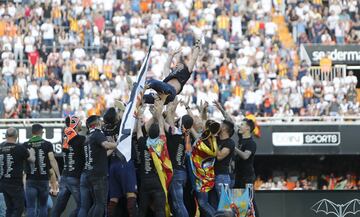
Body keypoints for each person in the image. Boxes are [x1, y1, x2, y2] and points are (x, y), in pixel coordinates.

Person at [136, 97, 172, 217]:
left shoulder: (142, 142)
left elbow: (139, 132)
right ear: (158, 134)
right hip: (158, 180)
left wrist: (138, 118)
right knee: (160, 211)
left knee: (142, 211)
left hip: (144, 181)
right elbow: (162, 127)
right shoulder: (161, 143)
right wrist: (158, 113)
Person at [143, 34, 201, 105]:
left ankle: (141, 86)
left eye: (179, 64)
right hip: (162, 93)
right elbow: (166, 67)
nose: (177, 64)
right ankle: (129, 104)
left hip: (170, 91)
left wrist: (197, 47)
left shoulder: (186, 72)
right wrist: (171, 55)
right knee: (145, 98)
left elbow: (193, 59)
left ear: (183, 66)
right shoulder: (171, 74)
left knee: (153, 82)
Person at [78, 115, 117, 217]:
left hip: (89, 174)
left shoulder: (88, 137)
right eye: (100, 121)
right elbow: (106, 145)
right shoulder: (97, 134)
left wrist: (113, 148)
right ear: (97, 123)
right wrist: (118, 144)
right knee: (100, 204)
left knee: (96, 203)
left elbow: (102, 155)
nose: (102, 123)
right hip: (98, 175)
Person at [102, 107, 138, 217]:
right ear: (116, 117)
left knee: (113, 199)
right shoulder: (122, 126)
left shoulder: (104, 130)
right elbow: (134, 128)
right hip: (125, 162)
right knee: (131, 196)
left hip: (112, 165)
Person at [24, 124, 61, 217]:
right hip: (43, 179)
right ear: (42, 132)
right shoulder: (47, 144)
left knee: (31, 207)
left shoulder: (25, 145)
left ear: (32, 132)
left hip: (30, 180)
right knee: (43, 206)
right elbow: (52, 159)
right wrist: (58, 176)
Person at [52, 116, 85, 217]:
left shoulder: (65, 138)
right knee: (83, 206)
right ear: (74, 125)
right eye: (79, 122)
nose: (81, 123)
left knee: (58, 208)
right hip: (74, 178)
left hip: (64, 177)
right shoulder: (81, 139)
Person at [0, 128, 35, 217]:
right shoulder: (20, 148)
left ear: (5, 136)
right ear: (17, 136)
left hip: (3, 183)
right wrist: (32, 152)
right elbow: (32, 160)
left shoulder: (0, 147)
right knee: (19, 208)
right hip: (15, 184)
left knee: (9, 208)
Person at [167, 113, 194, 217]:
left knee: (178, 204)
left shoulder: (176, 132)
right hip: (182, 173)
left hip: (177, 173)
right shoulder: (187, 136)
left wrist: (169, 108)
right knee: (176, 204)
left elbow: (166, 122)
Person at [234, 119, 259, 216]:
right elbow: (231, 122)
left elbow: (245, 156)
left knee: (250, 202)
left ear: (248, 128)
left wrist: (234, 148)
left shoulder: (251, 143)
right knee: (238, 202)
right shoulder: (241, 137)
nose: (239, 126)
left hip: (247, 177)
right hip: (239, 176)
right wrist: (221, 109)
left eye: (242, 124)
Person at [214, 120, 235, 202]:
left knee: (224, 204)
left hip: (222, 176)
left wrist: (213, 140)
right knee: (214, 203)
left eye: (220, 125)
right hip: (212, 175)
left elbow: (219, 156)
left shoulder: (230, 142)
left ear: (224, 128)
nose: (218, 126)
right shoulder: (216, 139)